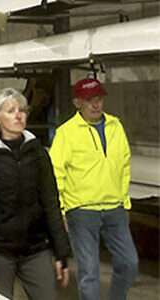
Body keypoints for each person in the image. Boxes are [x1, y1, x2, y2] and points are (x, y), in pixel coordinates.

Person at [0, 87, 70, 299]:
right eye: (11, 110)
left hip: (36, 249)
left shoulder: (38, 154)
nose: (19, 115)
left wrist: (62, 251)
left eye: (22, 110)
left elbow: (51, 203)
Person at [49, 78, 138, 300]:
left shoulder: (115, 126)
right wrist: (61, 211)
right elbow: (56, 174)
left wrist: (125, 203)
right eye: (89, 100)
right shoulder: (66, 133)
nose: (96, 105)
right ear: (77, 102)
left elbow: (123, 166)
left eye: (98, 99)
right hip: (81, 210)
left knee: (129, 263)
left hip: (114, 207)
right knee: (89, 273)